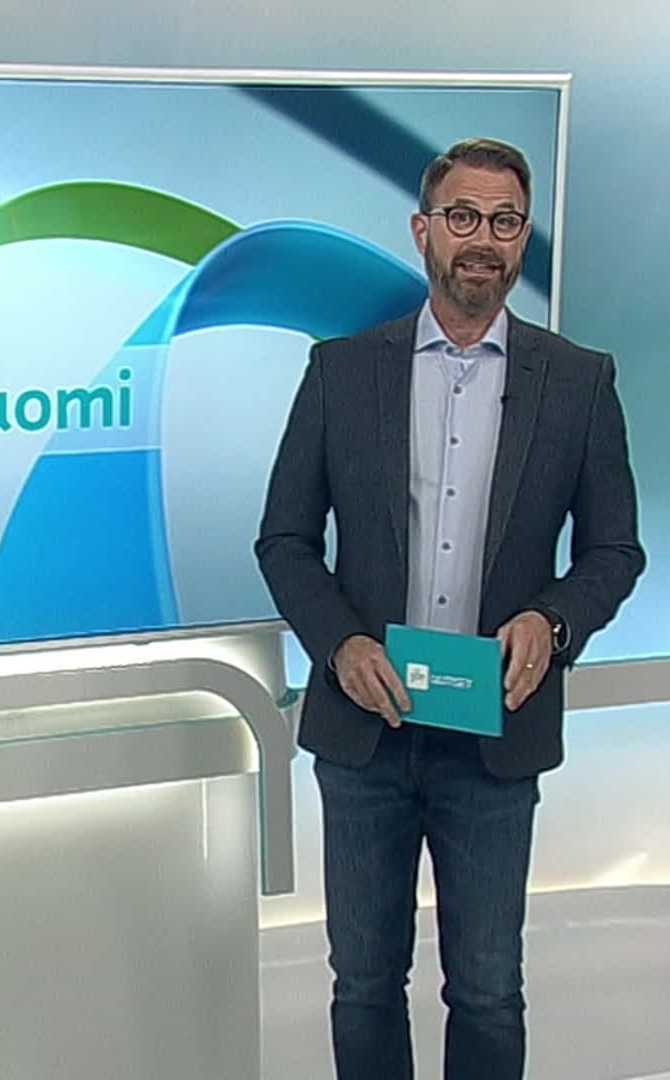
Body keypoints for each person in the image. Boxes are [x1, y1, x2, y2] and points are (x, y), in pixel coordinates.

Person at [255, 137, 646, 1079]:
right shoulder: (342, 370)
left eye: (505, 222)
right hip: (367, 733)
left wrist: (552, 622)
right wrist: (341, 643)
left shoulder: (578, 381)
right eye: (463, 216)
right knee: (363, 985)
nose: (483, 239)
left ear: (523, 240)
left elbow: (614, 551)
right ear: (423, 230)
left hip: (493, 737)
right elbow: (285, 539)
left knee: (487, 989)